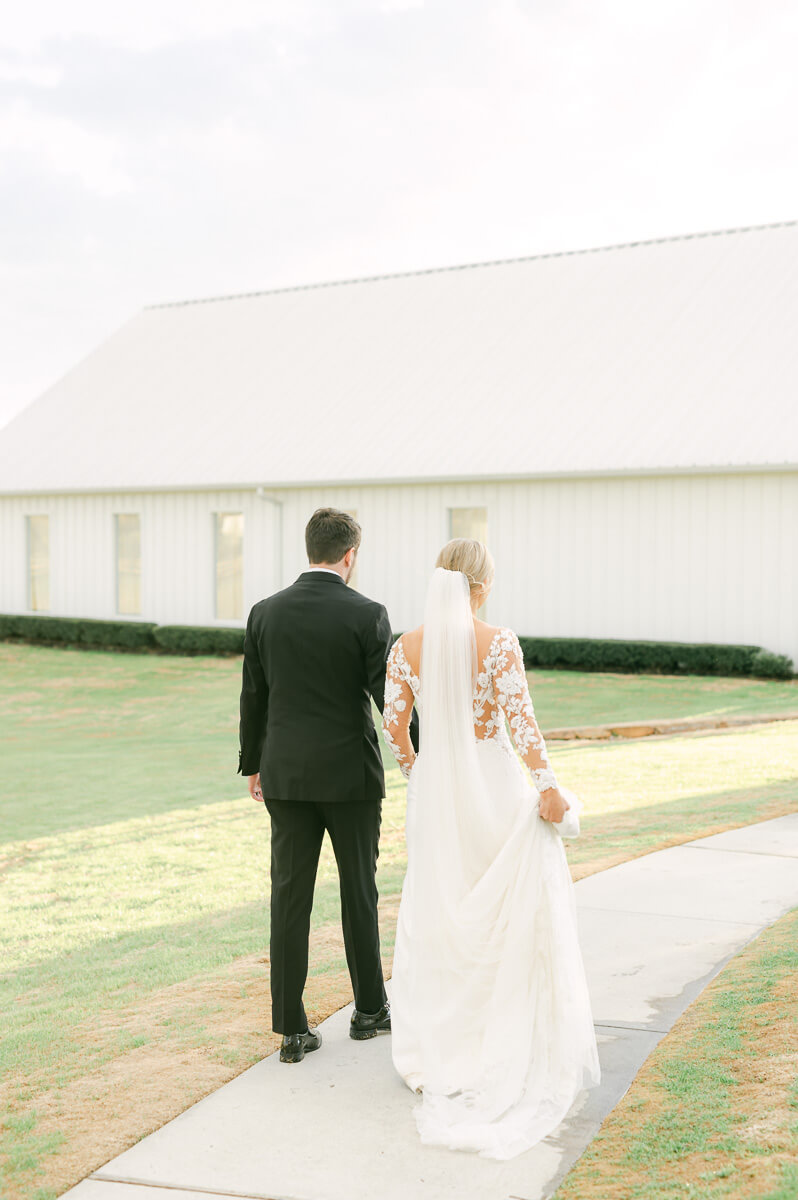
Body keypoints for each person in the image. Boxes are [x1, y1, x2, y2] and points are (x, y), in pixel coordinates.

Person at [382, 538, 600, 1158]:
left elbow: (394, 724)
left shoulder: (408, 648)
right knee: (503, 915)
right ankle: (502, 1040)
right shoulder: (497, 641)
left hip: (439, 794)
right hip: (494, 786)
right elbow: (520, 722)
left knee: (442, 914)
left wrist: (418, 773)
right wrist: (549, 785)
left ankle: (445, 1043)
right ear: (477, 587)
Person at [238, 507, 419, 1063]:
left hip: (287, 776)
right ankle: (369, 1010)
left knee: (289, 897)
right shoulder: (368, 614)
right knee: (358, 892)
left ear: (309, 549)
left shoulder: (265, 612)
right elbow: (387, 699)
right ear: (350, 555)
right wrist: (426, 753)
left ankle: (292, 1030)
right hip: (350, 777)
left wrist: (253, 765)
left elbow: (254, 695)